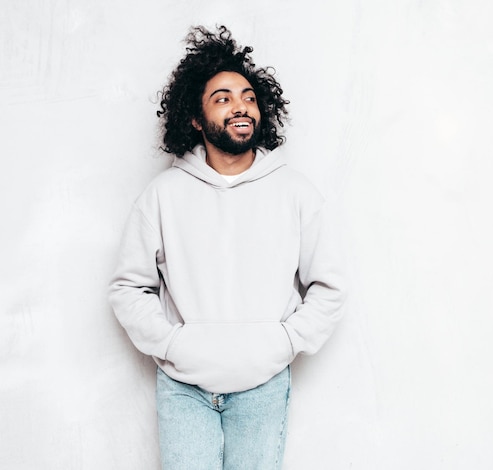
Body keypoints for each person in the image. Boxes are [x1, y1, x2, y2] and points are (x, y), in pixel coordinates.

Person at [108, 25, 346, 469]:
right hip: (183, 388)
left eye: (248, 97)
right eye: (223, 98)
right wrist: (173, 344)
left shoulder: (296, 193)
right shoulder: (163, 195)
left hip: (263, 385)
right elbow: (127, 288)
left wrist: (283, 342)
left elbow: (328, 287)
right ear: (195, 118)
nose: (241, 106)